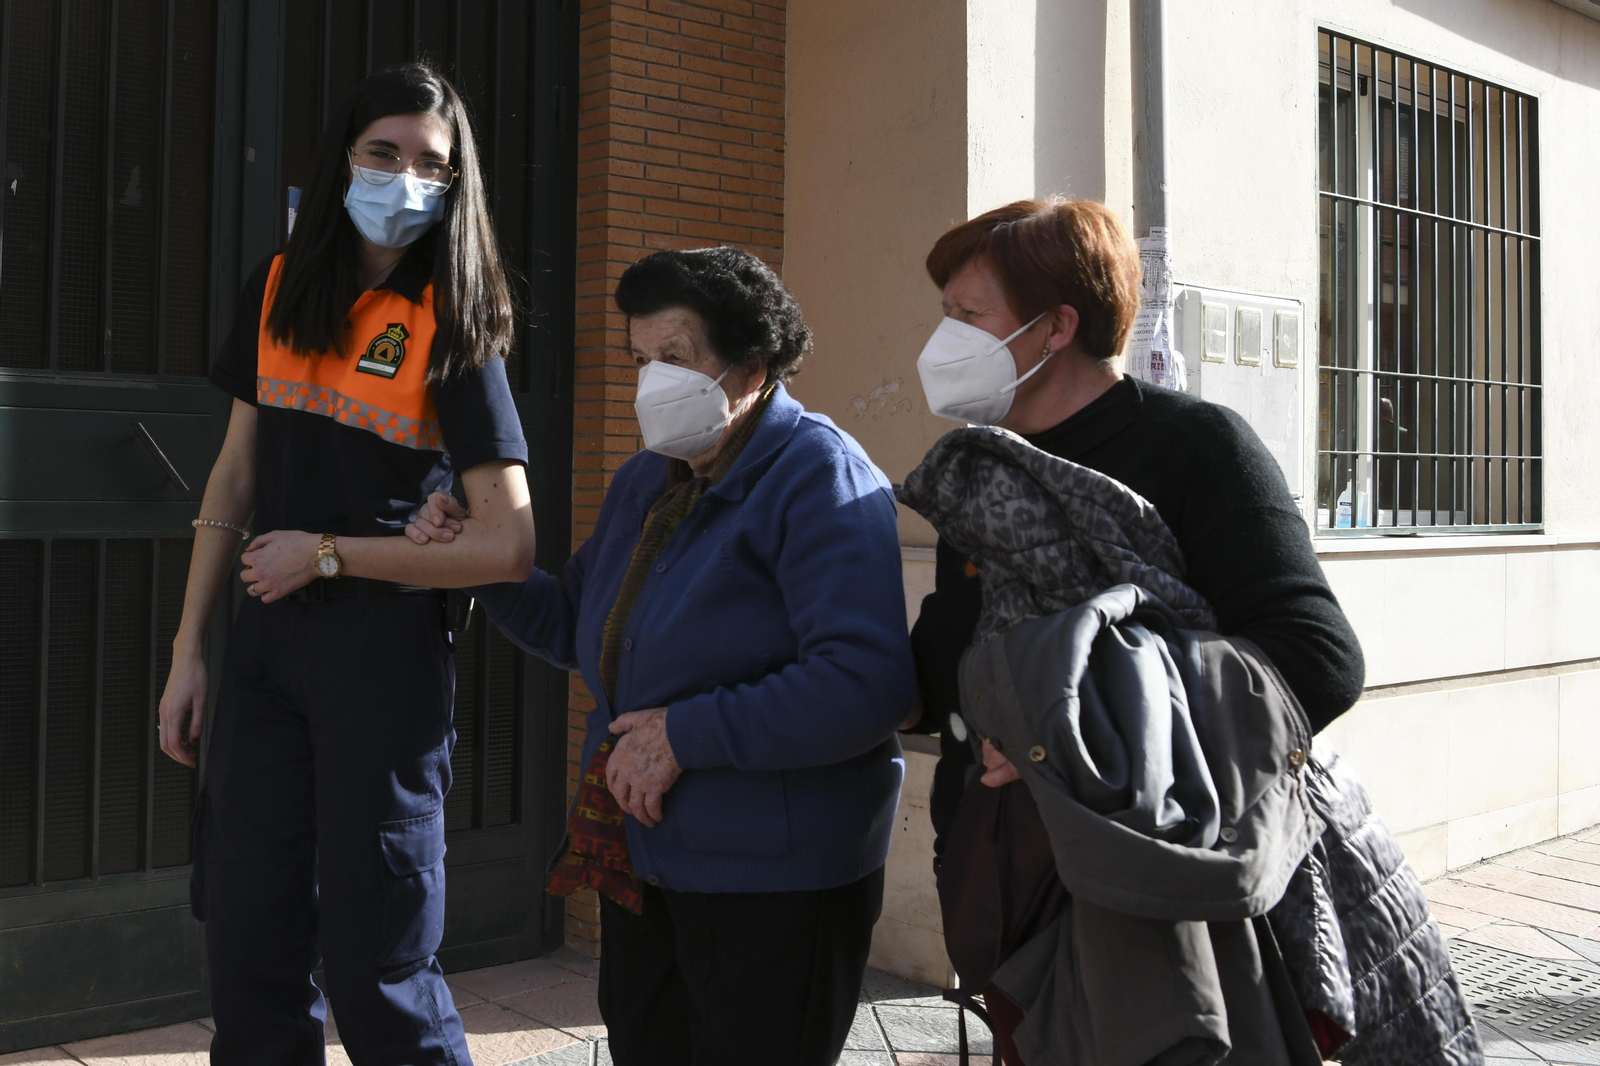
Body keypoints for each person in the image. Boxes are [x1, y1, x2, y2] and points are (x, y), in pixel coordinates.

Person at [407, 246, 914, 1066]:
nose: (651, 382)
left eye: (674, 358)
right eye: (640, 359)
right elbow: (571, 622)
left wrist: (686, 734)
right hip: (651, 860)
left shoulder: (820, 474)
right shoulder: (649, 478)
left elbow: (864, 683)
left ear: (753, 365)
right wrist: (479, 559)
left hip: (776, 879)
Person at [905, 197, 1366, 1062]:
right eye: (946, 313)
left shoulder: (1195, 445)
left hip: (1155, 890)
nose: (945, 339)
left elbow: (1315, 657)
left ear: (1056, 327)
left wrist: (1065, 738)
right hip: (1005, 882)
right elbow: (946, 662)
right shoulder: (980, 468)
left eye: (970, 315)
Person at [156, 63, 535, 1066]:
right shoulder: (280, 286)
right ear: (342, 160)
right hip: (263, 648)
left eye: (433, 164)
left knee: (380, 967)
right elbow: (234, 476)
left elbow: (508, 543)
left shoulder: (456, 313)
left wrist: (326, 556)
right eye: (383, 152)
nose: (407, 179)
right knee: (248, 942)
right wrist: (190, 650)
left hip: (383, 651)